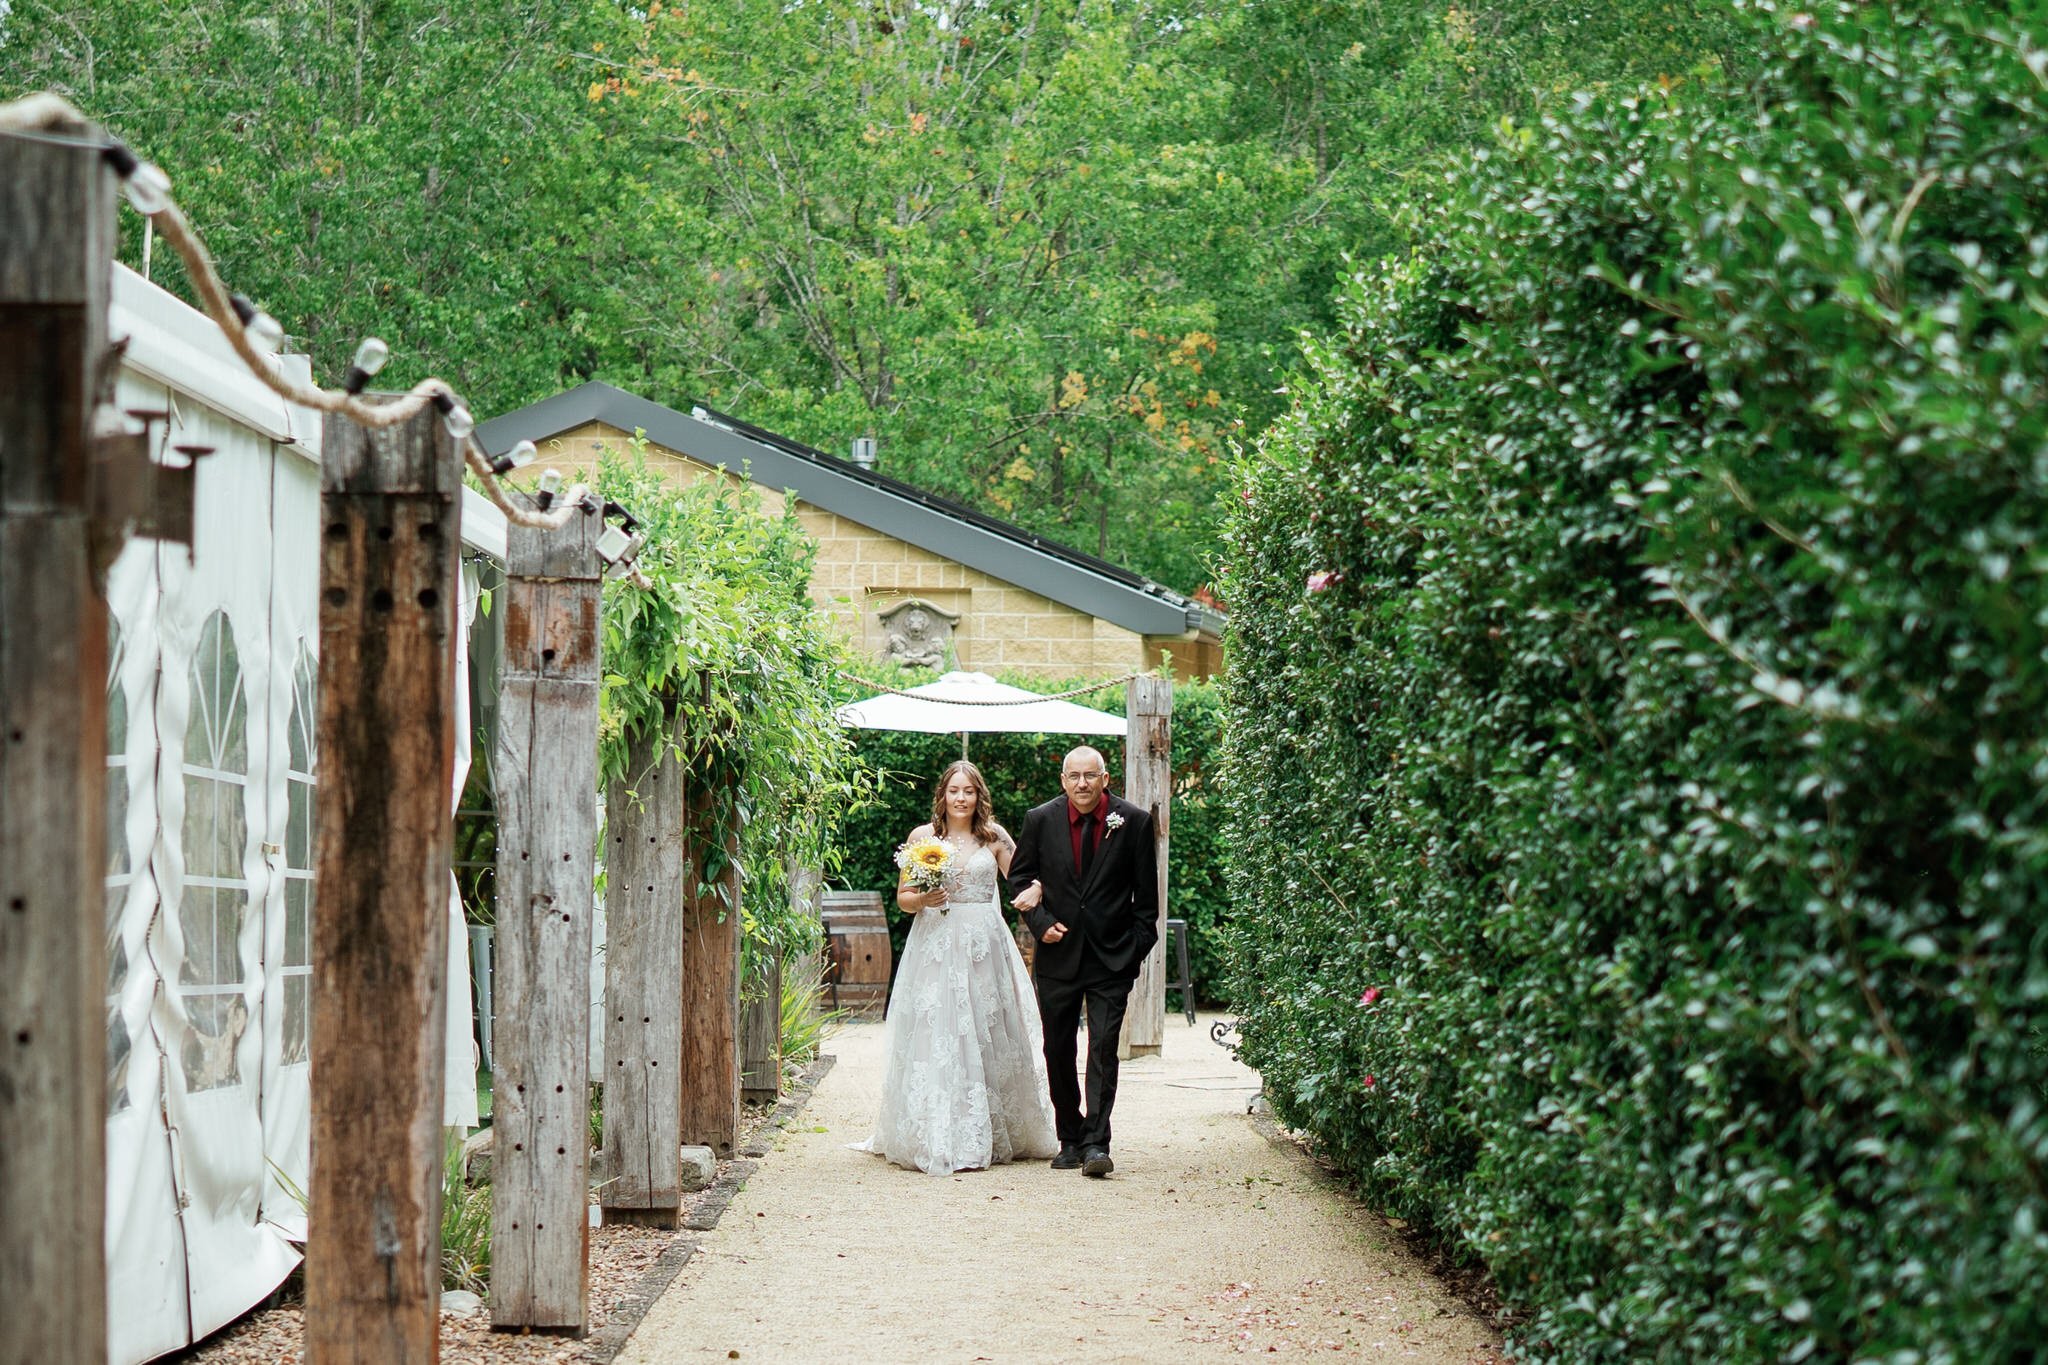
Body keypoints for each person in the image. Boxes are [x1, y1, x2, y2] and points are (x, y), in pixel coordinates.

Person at [854, 761, 1060, 1174]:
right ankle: (936, 1129)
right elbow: (904, 898)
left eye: (968, 791)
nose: (961, 798)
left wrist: (1037, 888)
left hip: (985, 941)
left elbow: (1022, 880)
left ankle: (995, 1124)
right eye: (954, 791)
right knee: (940, 1030)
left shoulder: (995, 837)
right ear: (943, 796)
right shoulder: (922, 838)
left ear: (978, 795)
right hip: (937, 942)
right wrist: (923, 901)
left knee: (987, 1026)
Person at [1005, 746, 1159, 1178]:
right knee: (1057, 1047)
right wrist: (1040, 922)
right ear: (1063, 780)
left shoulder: (1134, 822)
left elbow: (1147, 904)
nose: (1082, 784)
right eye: (1074, 776)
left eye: (1090, 776)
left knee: (1103, 1049)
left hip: (1112, 960)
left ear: (1105, 779)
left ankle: (1097, 1143)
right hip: (1058, 955)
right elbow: (1019, 877)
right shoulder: (1041, 819)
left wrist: (1131, 954)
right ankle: (1069, 1137)